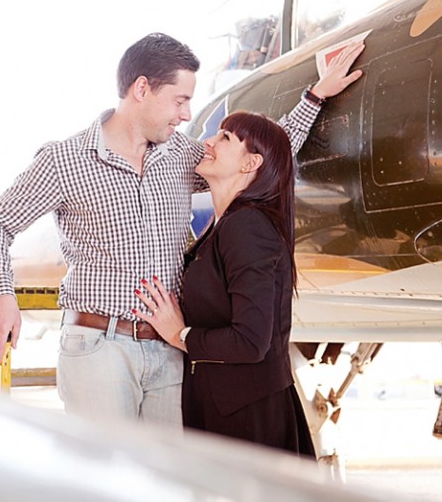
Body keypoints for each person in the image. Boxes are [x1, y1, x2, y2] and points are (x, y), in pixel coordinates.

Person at [0, 32, 364, 426]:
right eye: (179, 100)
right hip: (99, 348)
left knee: (172, 467)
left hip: (172, 349)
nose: (186, 114)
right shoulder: (64, 161)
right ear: (142, 89)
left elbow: (253, 159)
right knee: (108, 467)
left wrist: (315, 96)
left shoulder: (179, 154)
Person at [133, 111, 314, 454]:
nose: (208, 143)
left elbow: (250, 341)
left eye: (225, 138)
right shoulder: (224, 226)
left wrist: (180, 335)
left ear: (250, 163)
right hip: (226, 412)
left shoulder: (247, 226)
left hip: (247, 419)